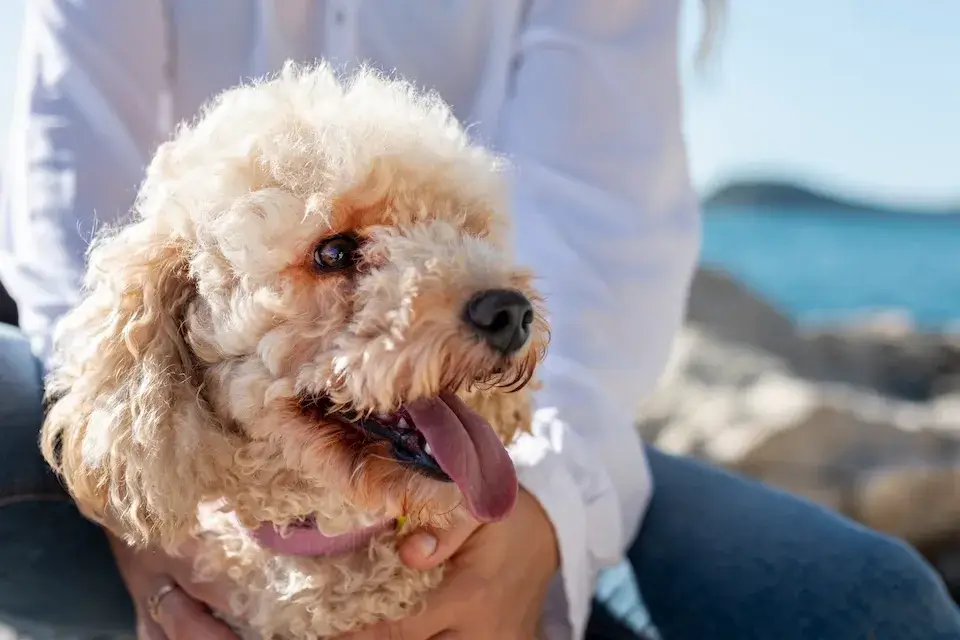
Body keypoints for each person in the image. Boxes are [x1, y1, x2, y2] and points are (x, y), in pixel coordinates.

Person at [0, 2, 958, 639]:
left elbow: (603, 254)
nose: (471, 286)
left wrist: (546, 516)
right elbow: (62, 197)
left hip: (535, 423)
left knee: (878, 607)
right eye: (339, 255)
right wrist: (138, 531)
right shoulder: (159, 309)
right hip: (144, 383)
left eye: (458, 233)